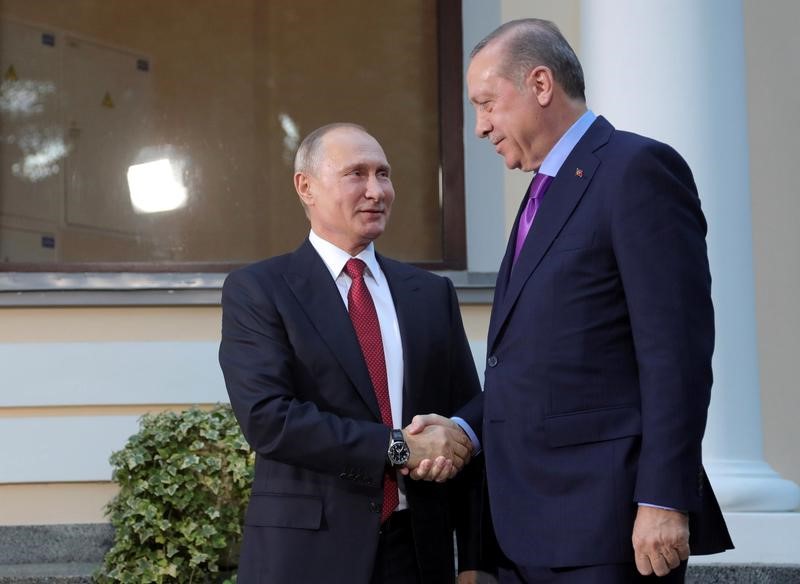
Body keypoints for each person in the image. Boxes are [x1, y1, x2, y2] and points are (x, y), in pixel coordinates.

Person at [406, 19, 733, 583]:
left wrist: (662, 499)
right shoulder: (541, 193)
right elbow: (538, 365)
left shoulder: (636, 172)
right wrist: (465, 427)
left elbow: (675, 354)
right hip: (526, 528)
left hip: (608, 528)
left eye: (486, 104)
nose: (480, 127)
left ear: (539, 84)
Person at [219, 123, 489, 583]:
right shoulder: (259, 290)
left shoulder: (430, 293)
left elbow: (465, 418)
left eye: (383, 174)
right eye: (356, 174)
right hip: (307, 556)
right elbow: (270, 419)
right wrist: (397, 447)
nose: (376, 190)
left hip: (418, 554)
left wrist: (479, 563)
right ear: (306, 187)